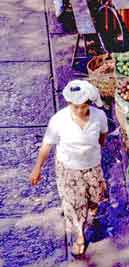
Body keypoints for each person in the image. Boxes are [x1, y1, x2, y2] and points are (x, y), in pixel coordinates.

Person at [30, 80, 108, 257]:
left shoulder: (99, 117)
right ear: (69, 104)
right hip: (69, 169)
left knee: (95, 199)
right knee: (74, 204)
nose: (80, 110)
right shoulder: (59, 120)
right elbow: (47, 146)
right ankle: (79, 236)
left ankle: (88, 218)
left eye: (84, 106)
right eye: (76, 107)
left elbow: (103, 137)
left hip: (92, 166)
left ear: (89, 103)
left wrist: (93, 152)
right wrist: (37, 168)